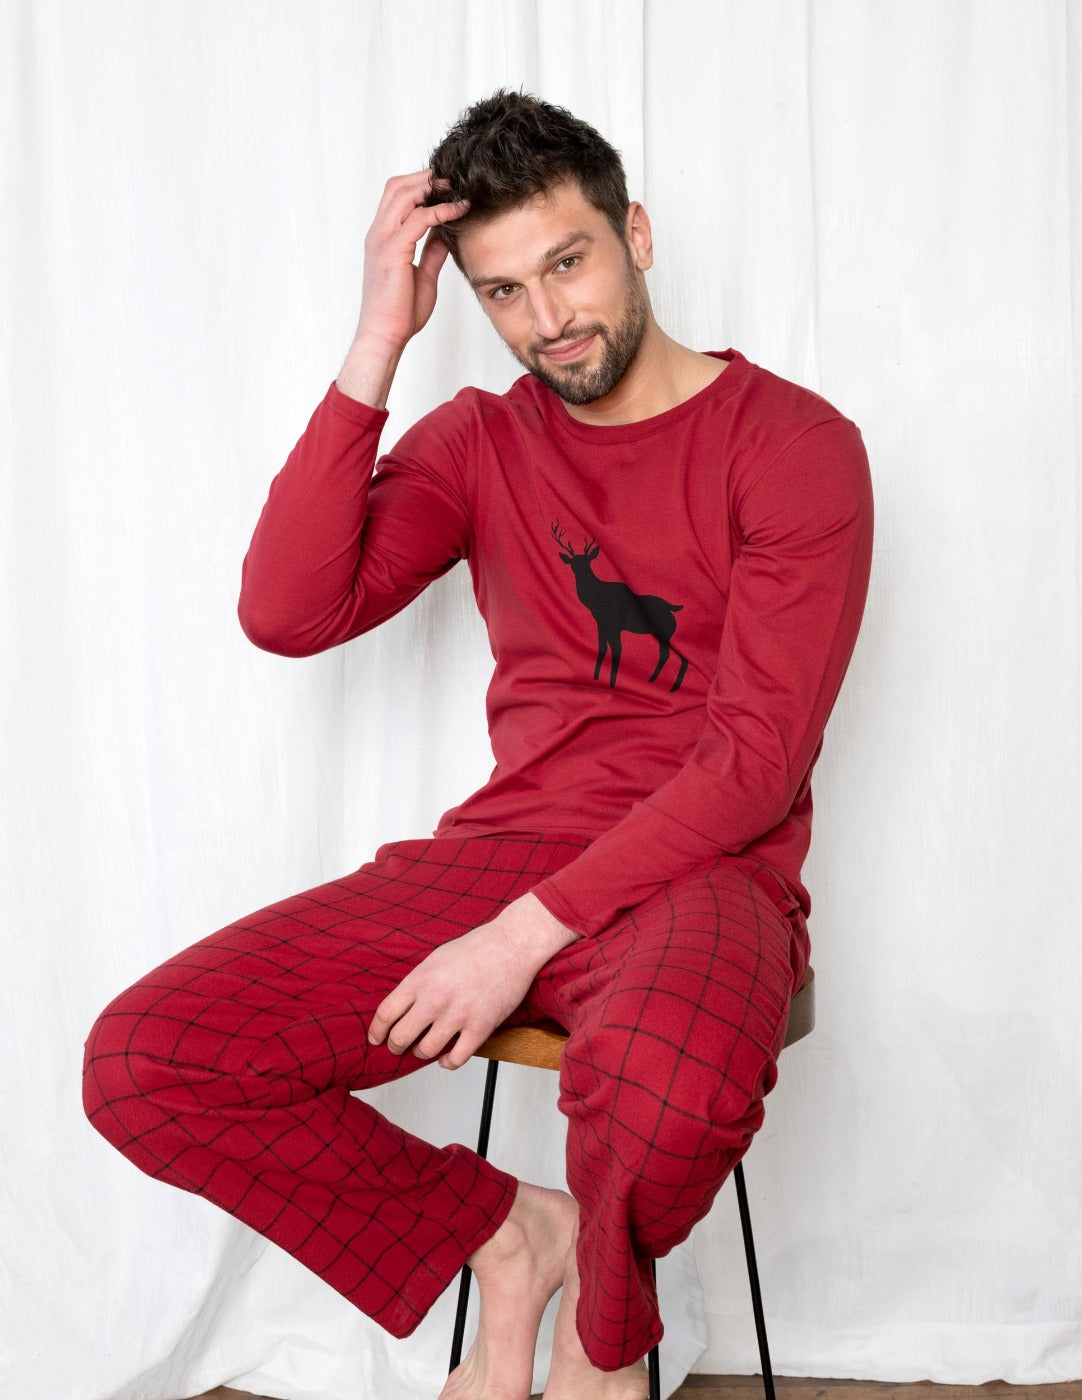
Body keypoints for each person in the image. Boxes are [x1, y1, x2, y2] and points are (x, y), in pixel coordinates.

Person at [83, 90, 873, 1400]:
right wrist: (376, 342)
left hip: (705, 869)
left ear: (636, 235)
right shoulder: (481, 439)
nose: (548, 317)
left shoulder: (794, 446)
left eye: (568, 263)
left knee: (669, 1091)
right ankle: (512, 1237)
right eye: (503, 291)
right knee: (148, 1063)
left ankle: (601, 1344)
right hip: (503, 853)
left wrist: (519, 938)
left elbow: (752, 764)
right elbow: (288, 612)